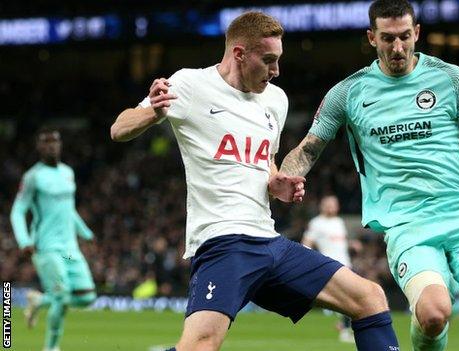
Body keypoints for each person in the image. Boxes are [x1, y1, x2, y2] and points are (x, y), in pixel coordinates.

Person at [110, 12, 399, 351]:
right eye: (268, 60)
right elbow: (119, 128)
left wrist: (276, 182)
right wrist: (153, 113)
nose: (276, 71)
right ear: (239, 54)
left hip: (269, 242)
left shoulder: (276, 100)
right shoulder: (190, 85)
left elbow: (267, 163)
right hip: (223, 241)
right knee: (201, 346)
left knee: (370, 297)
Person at [273, 1, 459, 350]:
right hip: (407, 224)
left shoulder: (451, 78)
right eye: (388, 38)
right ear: (371, 37)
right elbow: (307, 149)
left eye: (405, 37)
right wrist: (283, 178)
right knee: (434, 314)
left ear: (417, 34)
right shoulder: (348, 93)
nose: (397, 48)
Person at [10, 127, 97, 351]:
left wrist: (86, 233)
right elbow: (18, 211)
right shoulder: (33, 177)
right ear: (39, 147)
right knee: (61, 296)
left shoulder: (68, 172)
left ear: (60, 145)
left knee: (87, 296)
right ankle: (51, 348)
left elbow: (69, 210)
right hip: (46, 247)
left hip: (69, 248)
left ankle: (39, 301)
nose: (51, 146)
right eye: (46, 142)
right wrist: (24, 240)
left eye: (55, 141)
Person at [302, 195, 354, 343]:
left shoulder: (339, 222)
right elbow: (307, 243)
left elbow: (340, 244)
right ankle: (344, 329)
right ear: (322, 206)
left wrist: (353, 245)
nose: (332, 207)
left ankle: (343, 325)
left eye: (334, 204)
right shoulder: (317, 223)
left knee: (348, 297)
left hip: (346, 264)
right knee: (347, 297)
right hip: (330, 266)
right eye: (329, 204)